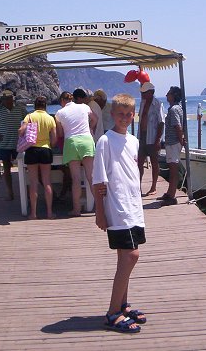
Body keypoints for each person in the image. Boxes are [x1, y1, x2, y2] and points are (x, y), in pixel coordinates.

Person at [93, 94, 146, 334]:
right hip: (117, 207)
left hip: (134, 207)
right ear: (112, 115)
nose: (124, 118)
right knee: (131, 256)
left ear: (133, 115)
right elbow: (98, 179)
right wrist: (100, 211)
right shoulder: (105, 141)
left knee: (124, 256)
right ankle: (113, 312)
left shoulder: (133, 141)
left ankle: (123, 305)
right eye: (120, 114)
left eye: (128, 114)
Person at [55, 88, 98, 216]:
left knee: (76, 179)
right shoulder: (84, 107)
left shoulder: (59, 113)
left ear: (62, 101)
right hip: (86, 140)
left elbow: (60, 133)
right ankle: (100, 207)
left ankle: (76, 209)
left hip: (71, 142)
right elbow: (95, 119)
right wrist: (89, 128)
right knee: (91, 177)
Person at [20, 96, 57, 219]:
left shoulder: (30, 116)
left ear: (35, 105)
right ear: (45, 105)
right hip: (46, 150)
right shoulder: (50, 118)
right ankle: (50, 213)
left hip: (32, 150)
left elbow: (21, 130)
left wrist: (21, 132)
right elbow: (54, 139)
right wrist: (50, 144)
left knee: (33, 183)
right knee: (47, 182)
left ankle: (33, 213)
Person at [158, 86, 185, 205]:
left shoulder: (174, 109)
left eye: (168, 93)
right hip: (172, 142)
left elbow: (177, 126)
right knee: (172, 168)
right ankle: (169, 193)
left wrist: (181, 141)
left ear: (174, 96)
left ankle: (172, 196)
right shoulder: (177, 108)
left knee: (173, 170)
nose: (166, 95)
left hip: (173, 143)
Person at [137, 82, 164, 194]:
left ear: (151, 92)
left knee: (154, 162)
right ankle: (138, 186)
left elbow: (161, 122)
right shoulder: (142, 103)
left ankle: (154, 187)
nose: (142, 95)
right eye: (142, 93)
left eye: (144, 93)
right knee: (139, 162)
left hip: (153, 137)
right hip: (142, 136)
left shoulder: (158, 104)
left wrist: (158, 140)